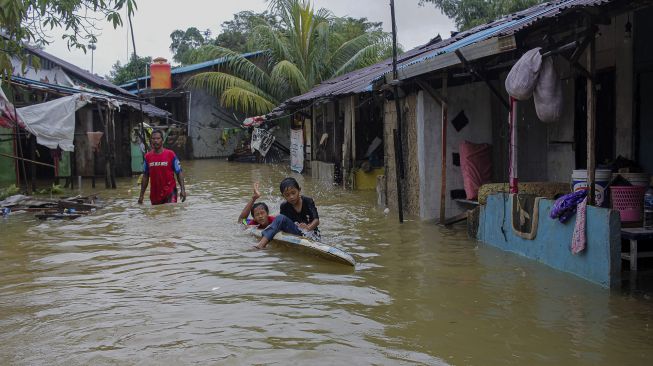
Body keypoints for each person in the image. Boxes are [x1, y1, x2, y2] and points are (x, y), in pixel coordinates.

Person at [254, 177, 320, 249]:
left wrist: (307, 228)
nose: (291, 197)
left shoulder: (308, 201)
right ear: (283, 196)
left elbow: (316, 220)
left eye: (293, 193)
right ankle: (261, 245)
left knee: (280, 217)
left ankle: (261, 245)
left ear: (299, 190)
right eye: (287, 195)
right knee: (280, 218)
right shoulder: (284, 206)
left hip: (311, 234)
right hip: (296, 232)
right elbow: (283, 224)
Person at [138, 129, 187, 205]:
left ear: (162, 140)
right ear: (151, 141)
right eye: (153, 139)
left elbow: (179, 172)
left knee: (170, 212)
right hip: (155, 194)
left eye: (158, 138)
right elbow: (145, 176)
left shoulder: (171, 154)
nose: (155, 141)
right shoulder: (147, 157)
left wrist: (183, 190)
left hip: (170, 192)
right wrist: (141, 196)